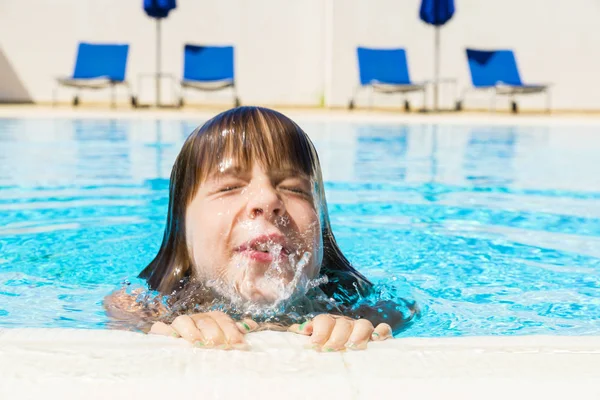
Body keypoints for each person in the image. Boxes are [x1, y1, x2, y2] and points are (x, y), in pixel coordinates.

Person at [105, 106, 417, 351]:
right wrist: (166, 329)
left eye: (294, 188)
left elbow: (404, 309)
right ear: (182, 230)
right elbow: (121, 319)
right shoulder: (145, 306)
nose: (268, 200)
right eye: (229, 187)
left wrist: (357, 326)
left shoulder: (361, 304)